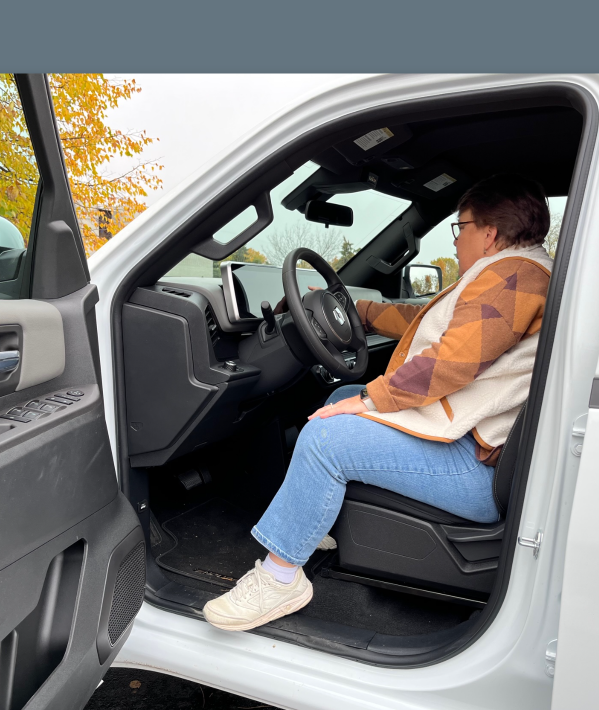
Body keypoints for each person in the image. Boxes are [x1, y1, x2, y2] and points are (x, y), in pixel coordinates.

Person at [203, 173, 555, 631]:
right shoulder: (512, 272)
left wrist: (374, 400)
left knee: (327, 436)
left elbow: (451, 361)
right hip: (470, 441)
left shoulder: (513, 278)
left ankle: (280, 578)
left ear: (488, 233)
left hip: (476, 468)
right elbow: (430, 324)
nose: (455, 242)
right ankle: (309, 519)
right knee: (341, 395)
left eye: (459, 227)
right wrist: (360, 312)